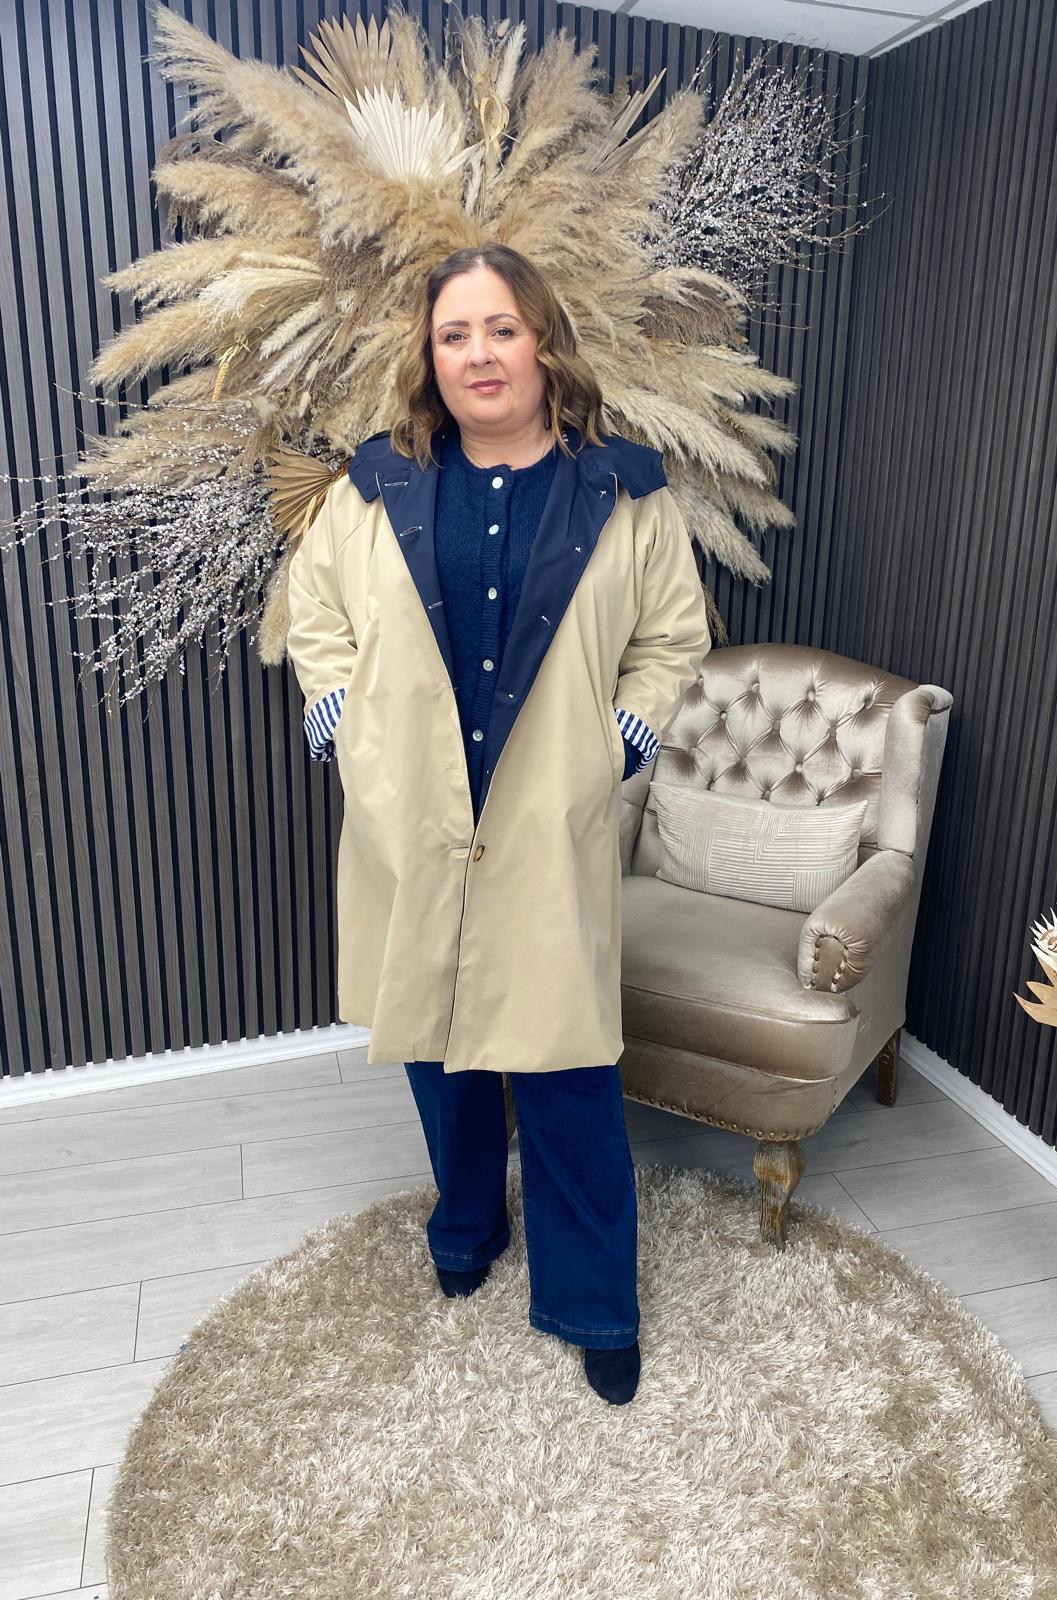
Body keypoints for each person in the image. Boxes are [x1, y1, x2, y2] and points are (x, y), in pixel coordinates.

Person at [286, 242, 711, 1405]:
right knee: (439, 1047)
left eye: (501, 328)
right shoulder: (375, 487)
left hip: (543, 822)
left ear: (543, 342)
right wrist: (340, 716)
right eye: (454, 334)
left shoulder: (624, 494)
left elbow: (672, 637)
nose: (479, 353)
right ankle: (466, 1222)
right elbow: (312, 608)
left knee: (568, 1064)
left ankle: (595, 1300)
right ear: (430, 357)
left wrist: (621, 738)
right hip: (412, 814)